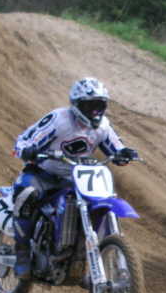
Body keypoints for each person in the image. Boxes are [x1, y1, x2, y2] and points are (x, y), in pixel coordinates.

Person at [11, 77, 139, 279]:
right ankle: (22, 255)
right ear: (77, 105)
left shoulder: (103, 126)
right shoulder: (59, 120)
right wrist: (27, 150)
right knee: (27, 195)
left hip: (76, 179)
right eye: (90, 106)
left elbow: (115, 147)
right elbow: (25, 140)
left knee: (101, 201)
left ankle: (93, 260)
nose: (94, 111)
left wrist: (124, 153)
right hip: (44, 174)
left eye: (99, 106)